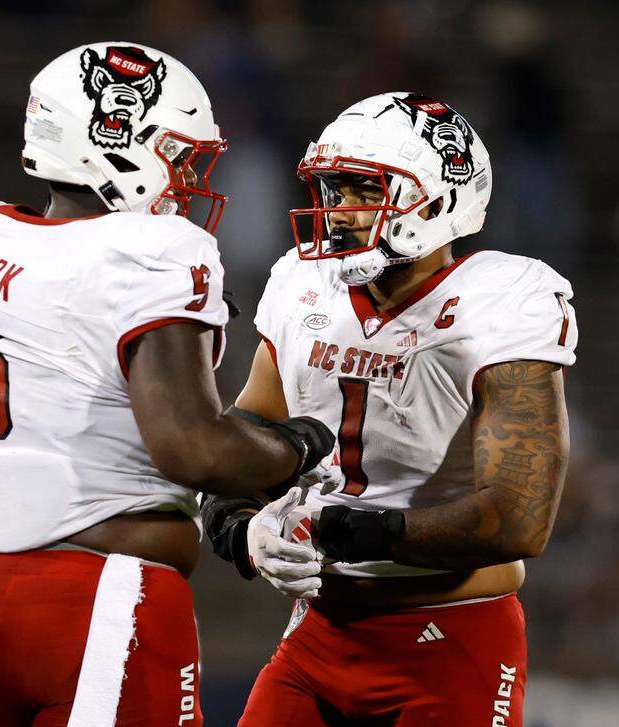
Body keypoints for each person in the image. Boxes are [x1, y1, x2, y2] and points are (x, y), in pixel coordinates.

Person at [0, 42, 334, 727]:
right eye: (177, 154)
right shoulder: (149, 252)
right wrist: (296, 445)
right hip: (100, 593)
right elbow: (192, 449)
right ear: (114, 140)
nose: (187, 179)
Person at [201, 92, 578, 726]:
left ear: (435, 198)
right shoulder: (302, 280)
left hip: (453, 639)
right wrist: (241, 529)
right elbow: (248, 437)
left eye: (359, 190)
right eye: (331, 190)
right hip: (321, 630)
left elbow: (520, 516)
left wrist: (361, 531)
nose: (335, 210)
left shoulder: (503, 299)